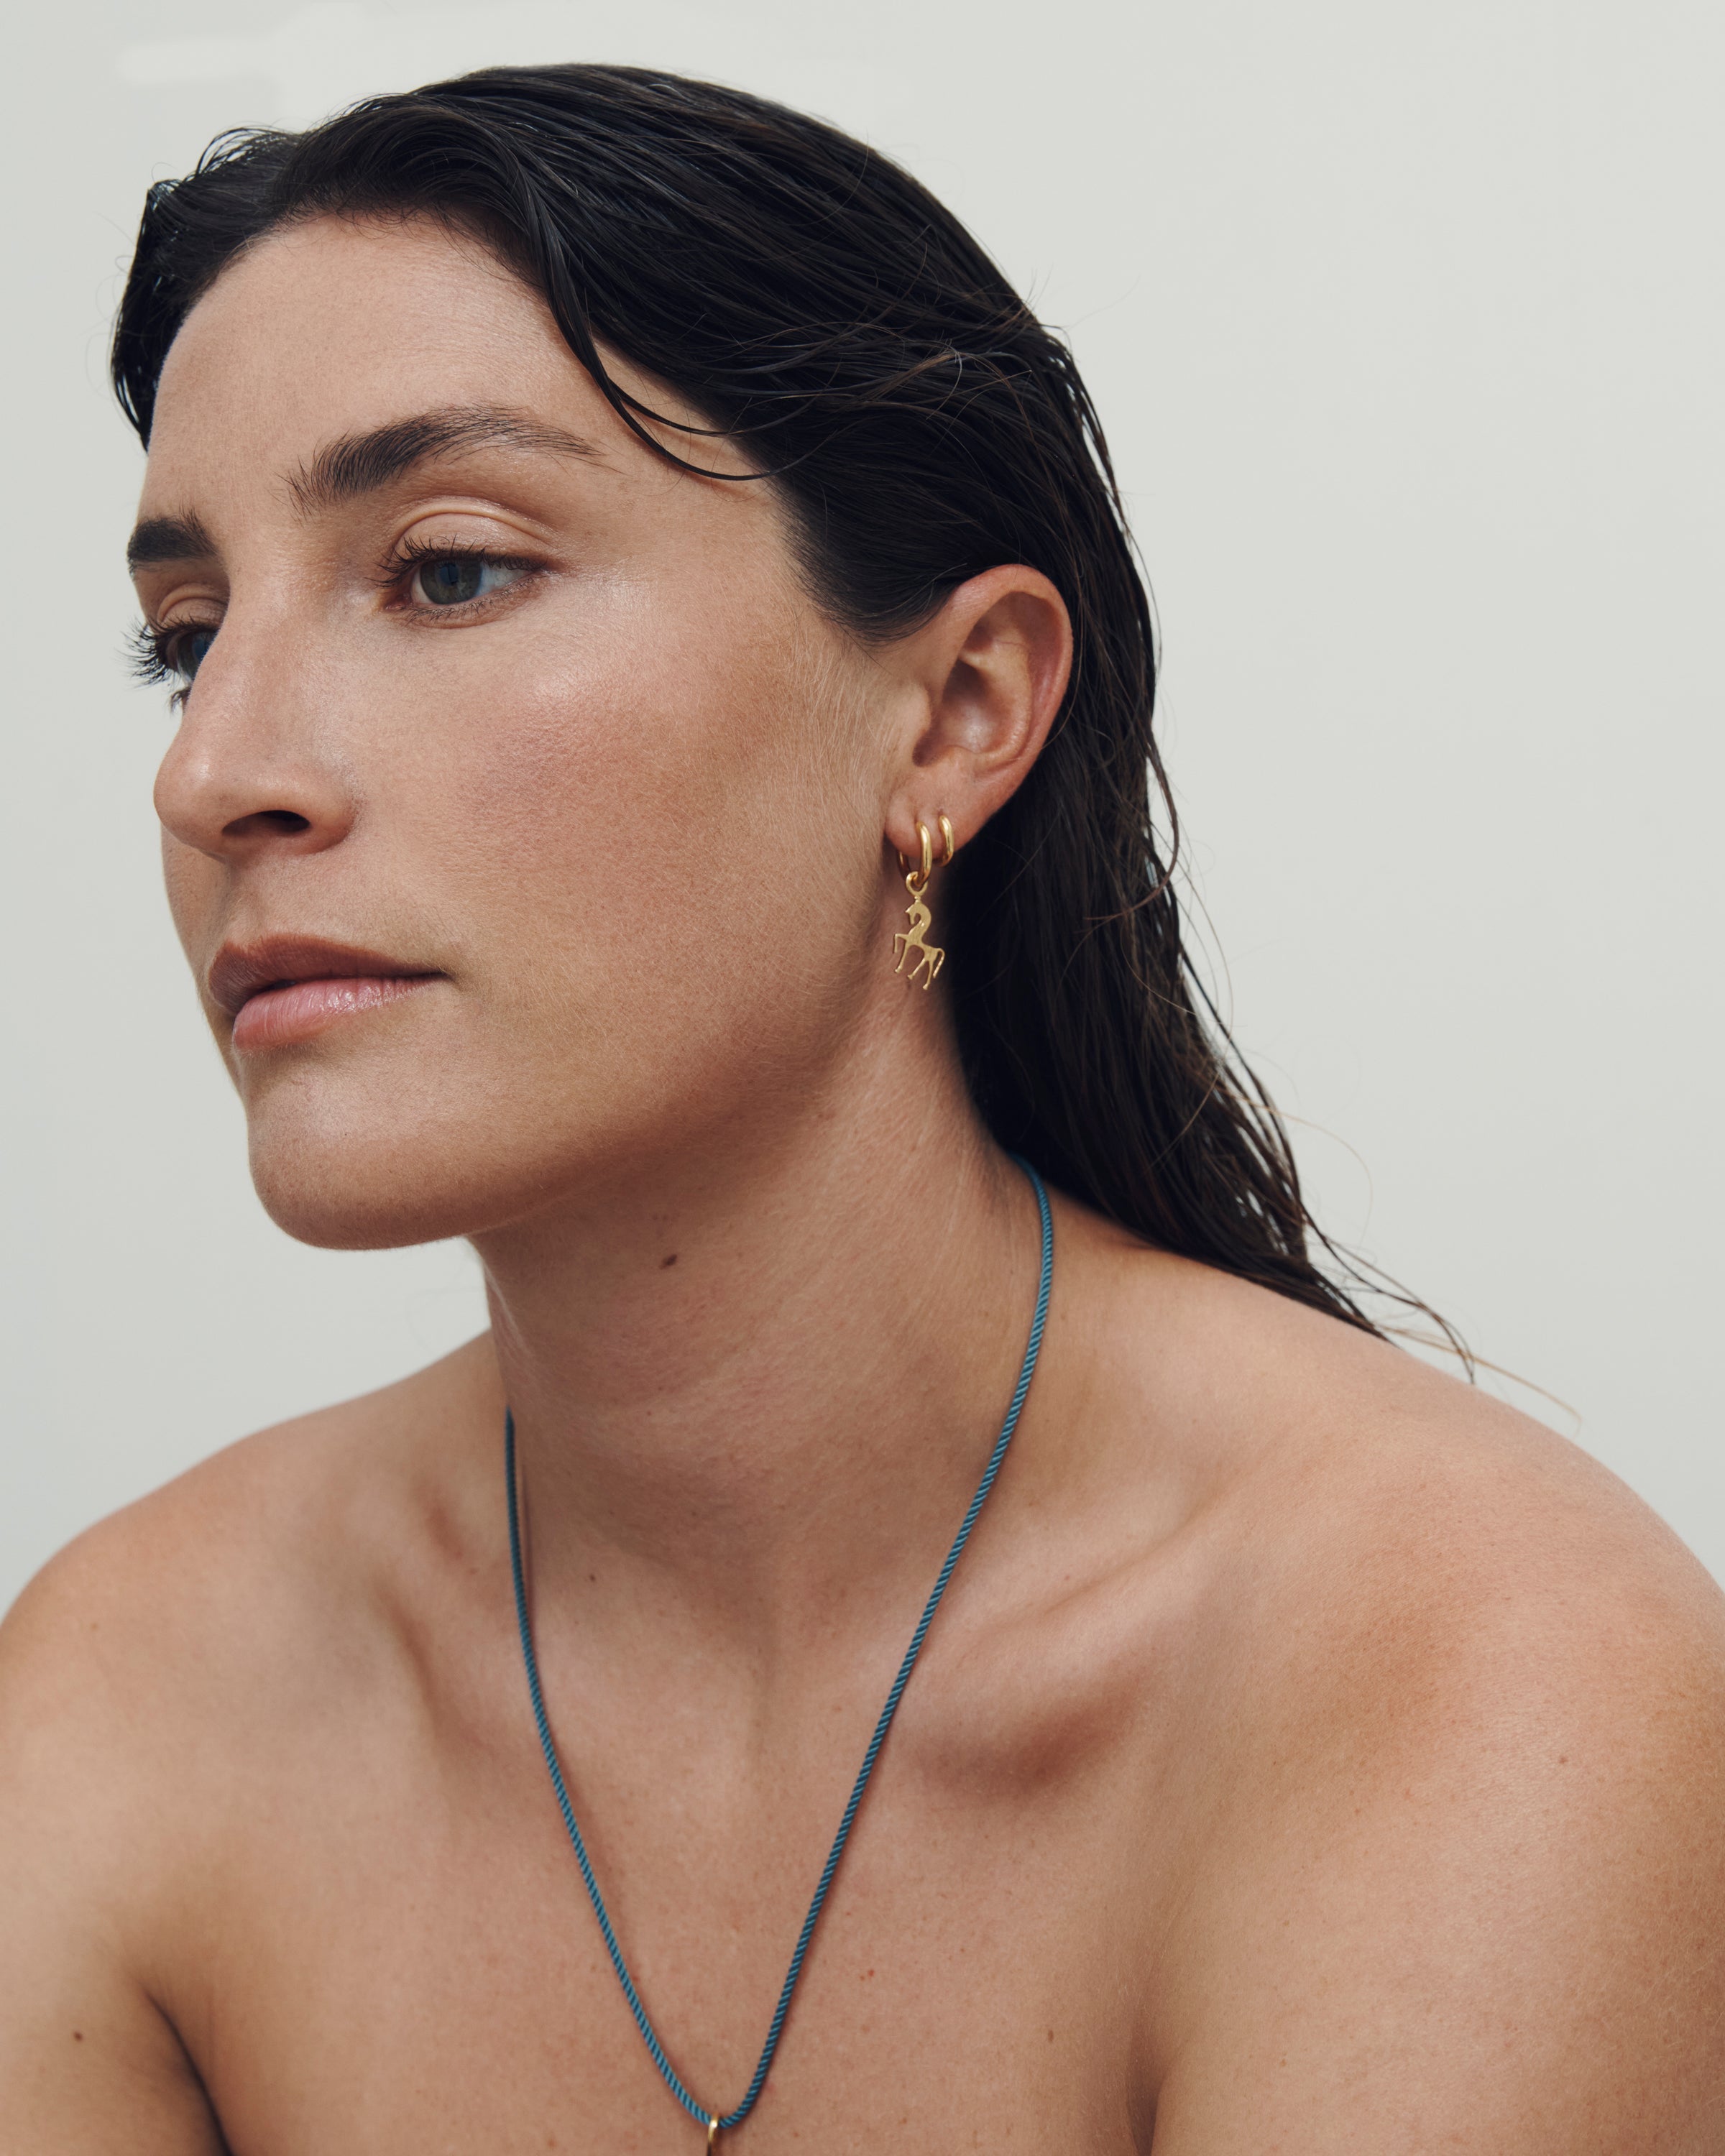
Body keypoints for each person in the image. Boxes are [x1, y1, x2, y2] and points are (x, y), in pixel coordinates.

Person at [2, 62, 1721, 2154]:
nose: (215, 774)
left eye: (446, 571)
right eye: (187, 642)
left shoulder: (1480, 1686)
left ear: (958, 709)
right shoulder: (124, 1699)